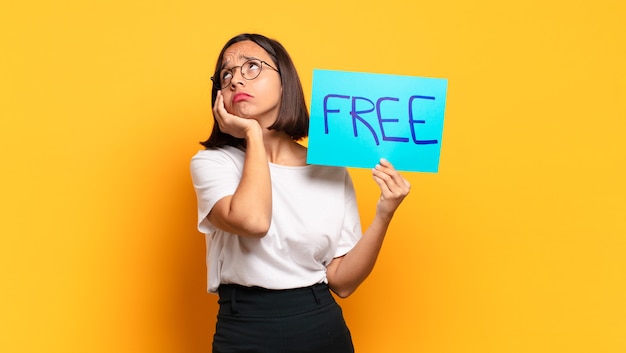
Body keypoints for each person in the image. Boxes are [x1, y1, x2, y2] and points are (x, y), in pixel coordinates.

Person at [190, 33, 410, 353]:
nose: (236, 79)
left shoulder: (330, 168)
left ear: (285, 82)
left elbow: (342, 282)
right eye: (226, 74)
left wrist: (385, 212)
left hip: (318, 321)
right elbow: (253, 221)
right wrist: (252, 133)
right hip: (245, 325)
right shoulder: (213, 163)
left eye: (251, 67)